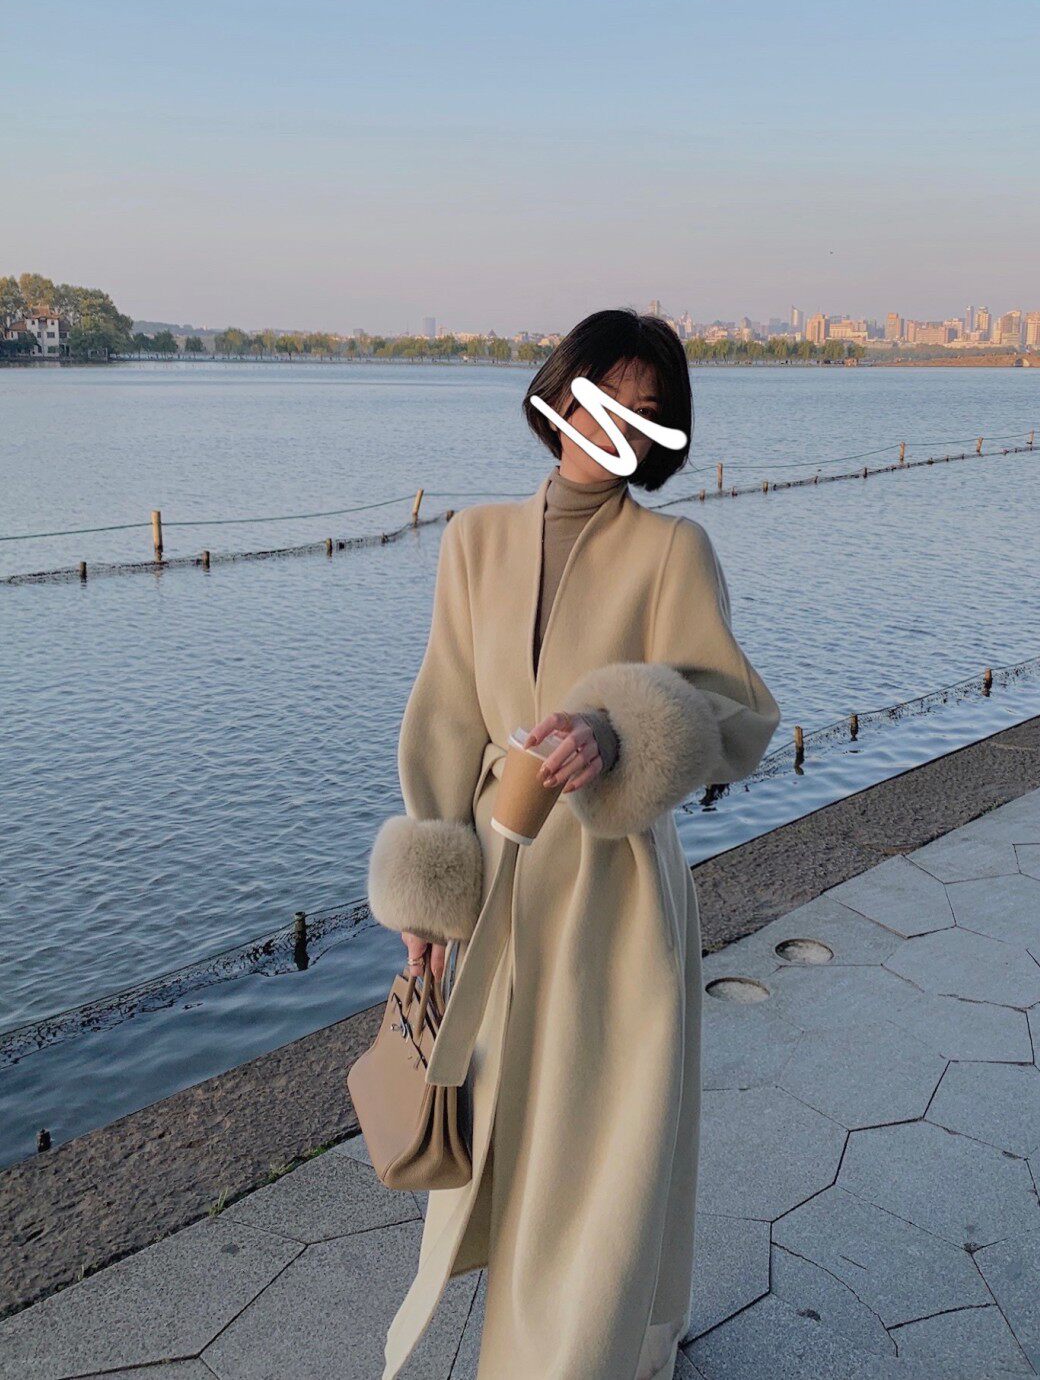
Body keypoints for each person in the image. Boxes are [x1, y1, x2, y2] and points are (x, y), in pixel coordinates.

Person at [368, 307, 780, 1379]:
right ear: (559, 394)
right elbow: (445, 717)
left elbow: (740, 718)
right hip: (498, 888)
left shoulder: (673, 551)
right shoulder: (473, 540)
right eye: (602, 398)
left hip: (614, 893)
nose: (617, 426)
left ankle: (578, 1356)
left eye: (646, 413)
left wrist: (621, 729)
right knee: (500, 1134)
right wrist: (427, 900)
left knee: (601, 1151)